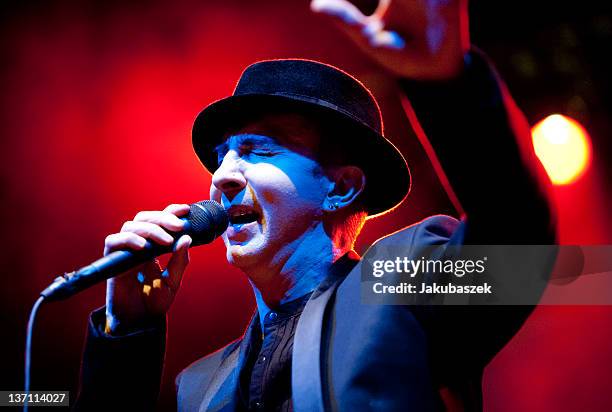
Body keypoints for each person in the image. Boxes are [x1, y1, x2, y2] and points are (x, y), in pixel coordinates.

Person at [74, 0, 556, 411]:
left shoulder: (401, 280)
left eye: (259, 150)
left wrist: (447, 85)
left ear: (341, 188)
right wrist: (126, 334)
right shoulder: (199, 385)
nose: (221, 176)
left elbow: (521, 251)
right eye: (221, 157)